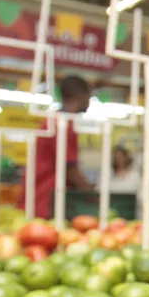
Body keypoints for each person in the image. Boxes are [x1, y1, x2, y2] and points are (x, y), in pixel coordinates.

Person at [20, 75, 94, 220]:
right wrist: (92, 195)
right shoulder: (62, 125)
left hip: (41, 197)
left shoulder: (54, 121)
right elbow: (70, 169)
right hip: (45, 200)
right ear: (81, 95)